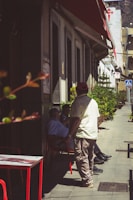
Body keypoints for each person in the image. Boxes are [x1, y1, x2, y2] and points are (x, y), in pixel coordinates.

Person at [66, 82, 100, 188]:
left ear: (77, 91)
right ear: (87, 90)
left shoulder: (77, 102)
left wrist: (70, 134)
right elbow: (97, 118)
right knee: (90, 156)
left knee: (81, 157)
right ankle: (89, 176)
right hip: (92, 133)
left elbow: (76, 119)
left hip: (82, 133)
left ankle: (87, 180)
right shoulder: (93, 102)